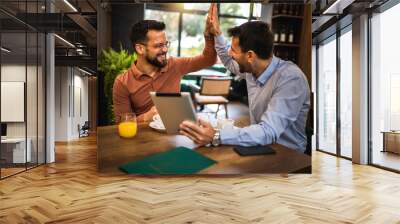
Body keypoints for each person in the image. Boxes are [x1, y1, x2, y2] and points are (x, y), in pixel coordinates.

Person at [179, 4, 310, 153]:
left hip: (289, 156)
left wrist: (216, 134)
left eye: (233, 50)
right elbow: (228, 60)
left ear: (250, 56)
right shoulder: (252, 69)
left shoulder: (291, 79)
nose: (230, 53)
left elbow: (268, 131)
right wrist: (217, 33)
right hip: (261, 147)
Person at [113, 19, 217, 123]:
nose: (165, 49)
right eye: (158, 45)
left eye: (165, 44)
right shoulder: (122, 82)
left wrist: (209, 36)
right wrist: (145, 117)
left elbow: (208, 60)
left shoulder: (175, 65)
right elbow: (121, 123)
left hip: (175, 134)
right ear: (140, 49)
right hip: (143, 138)